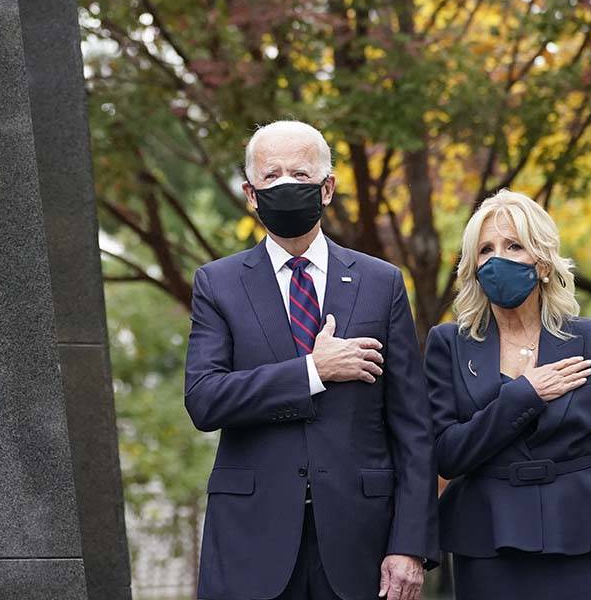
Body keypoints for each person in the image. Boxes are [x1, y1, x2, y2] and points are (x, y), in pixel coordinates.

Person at [184, 120, 438, 600]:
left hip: (359, 541)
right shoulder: (217, 284)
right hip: (250, 541)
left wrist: (410, 544)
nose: (285, 185)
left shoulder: (381, 283)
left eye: (300, 176)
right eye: (271, 175)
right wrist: (311, 372)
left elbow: (413, 428)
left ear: (328, 188)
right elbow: (204, 399)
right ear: (251, 193)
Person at [424, 190, 591, 599]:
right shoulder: (448, 343)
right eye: (485, 250)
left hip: (583, 539)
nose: (498, 259)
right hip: (488, 544)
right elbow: (445, 454)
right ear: (473, 266)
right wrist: (524, 395)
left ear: (542, 263)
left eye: (514, 245)